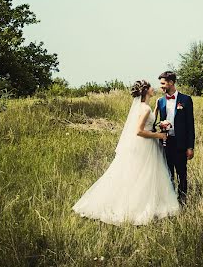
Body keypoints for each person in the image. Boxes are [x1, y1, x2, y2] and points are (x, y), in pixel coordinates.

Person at [71, 80, 180, 225]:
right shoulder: (145, 109)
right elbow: (139, 131)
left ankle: (144, 202)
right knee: (144, 175)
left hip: (147, 145)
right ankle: (138, 206)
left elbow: (147, 122)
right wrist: (159, 135)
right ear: (146, 91)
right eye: (150, 87)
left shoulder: (144, 107)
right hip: (145, 145)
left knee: (142, 174)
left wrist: (158, 119)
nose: (154, 88)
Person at [155, 71, 195, 206]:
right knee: (168, 174)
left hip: (181, 143)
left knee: (182, 174)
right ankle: (170, 202)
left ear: (171, 82)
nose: (161, 86)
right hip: (165, 142)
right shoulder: (160, 101)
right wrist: (160, 124)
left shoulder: (186, 99)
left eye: (163, 83)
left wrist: (190, 147)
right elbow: (154, 123)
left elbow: (190, 125)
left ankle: (182, 201)